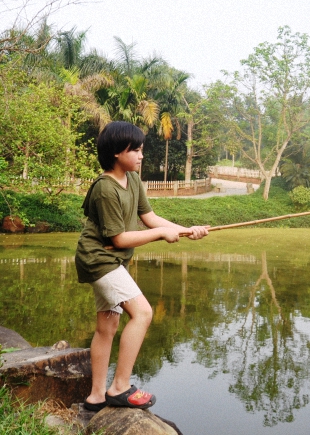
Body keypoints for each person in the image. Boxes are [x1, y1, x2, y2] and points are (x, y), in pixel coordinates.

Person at [75, 121, 209, 412]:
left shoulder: (133, 179)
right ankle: (120, 387)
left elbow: (150, 217)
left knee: (107, 324)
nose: (140, 155)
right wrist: (162, 234)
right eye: (134, 150)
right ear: (115, 154)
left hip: (110, 259)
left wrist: (188, 230)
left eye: (141, 150)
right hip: (99, 259)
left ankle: (96, 396)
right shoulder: (105, 188)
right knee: (143, 312)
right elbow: (119, 238)